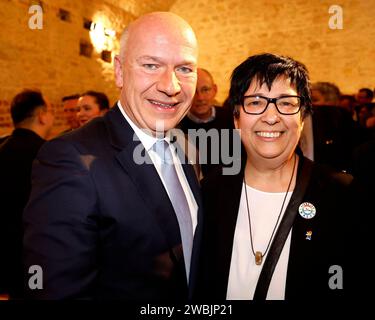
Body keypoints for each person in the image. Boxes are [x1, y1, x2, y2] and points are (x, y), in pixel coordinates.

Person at [23, 12, 202, 301]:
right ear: (119, 71)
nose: (171, 86)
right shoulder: (70, 159)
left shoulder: (185, 146)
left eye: (184, 69)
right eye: (151, 65)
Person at [197, 53, 354, 300]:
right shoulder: (209, 193)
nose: (271, 117)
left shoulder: (341, 195)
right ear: (236, 118)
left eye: (287, 103)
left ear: (303, 118)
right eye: (256, 102)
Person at [0, 89, 54, 299]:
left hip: (6, 257)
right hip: (39, 258)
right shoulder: (51, 155)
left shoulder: (2, 150)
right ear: (42, 115)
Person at [179, 68, 234, 178]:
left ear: (214, 90)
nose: (200, 97)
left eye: (205, 90)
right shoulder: (177, 127)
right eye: (194, 91)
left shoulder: (233, 119)